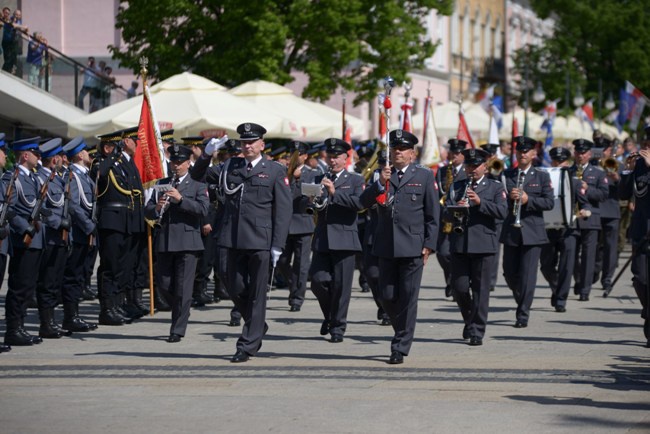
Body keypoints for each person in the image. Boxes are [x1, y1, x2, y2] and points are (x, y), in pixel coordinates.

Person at [360, 130, 438, 363]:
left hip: (413, 246)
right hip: (386, 245)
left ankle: (400, 345)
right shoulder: (381, 174)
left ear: (412, 154)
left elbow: (433, 214)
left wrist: (429, 245)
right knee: (387, 295)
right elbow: (362, 204)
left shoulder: (424, 176)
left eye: (402, 149)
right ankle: (401, 328)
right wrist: (379, 183)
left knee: (408, 297)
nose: (397, 153)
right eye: (394, 149)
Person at [217, 122, 291, 362]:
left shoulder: (275, 170)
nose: (247, 146)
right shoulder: (231, 165)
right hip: (232, 238)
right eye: (243, 142)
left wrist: (278, 244)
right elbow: (197, 176)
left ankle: (247, 345)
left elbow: (282, 210)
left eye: (251, 142)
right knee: (234, 286)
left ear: (262, 144)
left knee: (258, 294)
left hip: (260, 240)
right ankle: (257, 324)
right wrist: (207, 154)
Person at [145, 144, 208, 343]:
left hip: (188, 242)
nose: (176, 166)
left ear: (188, 163)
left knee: (183, 287)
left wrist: (181, 200)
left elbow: (203, 210)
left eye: (180, 162)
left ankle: (177, 329)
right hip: (165, 240)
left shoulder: (197, 184)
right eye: (174, 162)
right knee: (164, 285)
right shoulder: (162, 183)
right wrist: (156, 207)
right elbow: (147, 209)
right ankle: (182, 309)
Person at [446, 148, 507, 346]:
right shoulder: (457, 186)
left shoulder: (495, 187)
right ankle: (470, 319)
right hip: (460, 244)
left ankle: (477, 331)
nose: (472, 169)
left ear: (485, 167)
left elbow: (502, 212)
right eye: (469, 166)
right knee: (459, 288)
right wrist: (456, 208)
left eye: (476, 166)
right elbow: (445, 212)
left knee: (481, 291)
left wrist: (480, 202)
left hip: (483, 244)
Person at [309, 138, 365, 344]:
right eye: (330, 156)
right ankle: (330, 316)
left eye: (337, 157)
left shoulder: (355, 180)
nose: (333, 160)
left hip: (344, 239)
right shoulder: (319, 178)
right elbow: (313, 206)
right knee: (317, 281)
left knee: (342, 286)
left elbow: (359, 203)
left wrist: (335, 193)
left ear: (345, 158)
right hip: (323, 238)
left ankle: (338, 327)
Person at [500, 136, 554, 328]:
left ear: (533, 154)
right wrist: (508, 199)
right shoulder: (506, 175)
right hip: (511, 232)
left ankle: (523, 314)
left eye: (527, 151)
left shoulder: (542, 176)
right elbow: (498, 201)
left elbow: (549, 203)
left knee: (528, 275)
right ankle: (522, 297)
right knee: (509, 273)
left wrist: (527, 199)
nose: (523, 154)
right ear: (516, 153)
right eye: (520, 151)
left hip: (532, 232)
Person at [3, 137, 46, 346]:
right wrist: (23, 226)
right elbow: (8, 208)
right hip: (23, 240)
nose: (39, 156)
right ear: (25, 155)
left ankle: (19, 327)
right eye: (35, 153)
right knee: (19, 286)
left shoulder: (34, 178)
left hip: (36, 238)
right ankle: (13, 329)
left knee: (28, 287)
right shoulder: (13, 178)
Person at [539, 147, 591, 313]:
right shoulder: (544, 180)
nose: (558, 164)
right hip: (548, 229)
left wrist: (585, 211)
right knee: (546, 266)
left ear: (567, 163)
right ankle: (556, 288)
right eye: (555, 161)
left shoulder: (574, 182)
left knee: (566, 266)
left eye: (561, 162)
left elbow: (585, 203)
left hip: (570, 229)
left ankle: (561, 299)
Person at [60, 137, 98, 332]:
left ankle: (74, 315)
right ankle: (70, 317)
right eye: (88, 152)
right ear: (80, 155)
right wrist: (89, 226)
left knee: (80, 275)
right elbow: (74, 205)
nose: (90, 155)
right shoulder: (73, 176)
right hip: (79, 232)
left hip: (85, 232)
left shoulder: (85, 175)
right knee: (73, 276)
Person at [34, 138, 70, 339]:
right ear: (55, 158)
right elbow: (40, 207)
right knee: (47, 282)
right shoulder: (40, 178)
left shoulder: (57, 178)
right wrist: (58, 222)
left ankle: (52, 321)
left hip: (61, 238)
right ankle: (46, 324)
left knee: (55, 281)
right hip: (49, 236)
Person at [618, 126, 650, 348]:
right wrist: (628, 171)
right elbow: (622, 195)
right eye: (647, 139)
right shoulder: (638, 164)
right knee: (640, 277)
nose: (647, 144)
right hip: (641, 231)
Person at [277, 141, 317, 312]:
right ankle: (295, 284)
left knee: (301, 264)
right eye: (292, 153)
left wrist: (298, 180)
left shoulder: (313, 174)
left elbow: (311, 198)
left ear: (305, 156)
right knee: (282, 261)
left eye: (299, 154)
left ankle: (297, 298)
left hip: (303, 222)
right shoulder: (282, 172)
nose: (295, 156)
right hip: (285, 223)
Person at [570, 139, 608, 301]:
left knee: (588, 256)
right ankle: (578, 280)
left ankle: (585, 290)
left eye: (584, 153)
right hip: (572, 219)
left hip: (590, 219)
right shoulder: (568, 171)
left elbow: (603, 194)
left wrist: (588, 189)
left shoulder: (598, 173)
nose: (581, 155)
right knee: (571, 256)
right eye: (578, 152)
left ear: (589, 154)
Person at [436, 138, 467, 298]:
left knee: (456, 254)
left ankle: (455, 284)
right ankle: (451, 279)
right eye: (452, 152)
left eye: (457, 153)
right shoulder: (442, 171)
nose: (454, 155)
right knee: (442, 253)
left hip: (461, 218)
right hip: (445, 218)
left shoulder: (467, 171)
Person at [592, 137, 621, 294]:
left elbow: (627, 188)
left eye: (606, 149)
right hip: (595, 210)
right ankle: (595, 270)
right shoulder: (591, 166)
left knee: (610, 247)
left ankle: (607, 278)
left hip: (611, 211)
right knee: (594, 246)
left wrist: (617, 179)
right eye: (600, 150)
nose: (603, 153)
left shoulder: (618, 165)